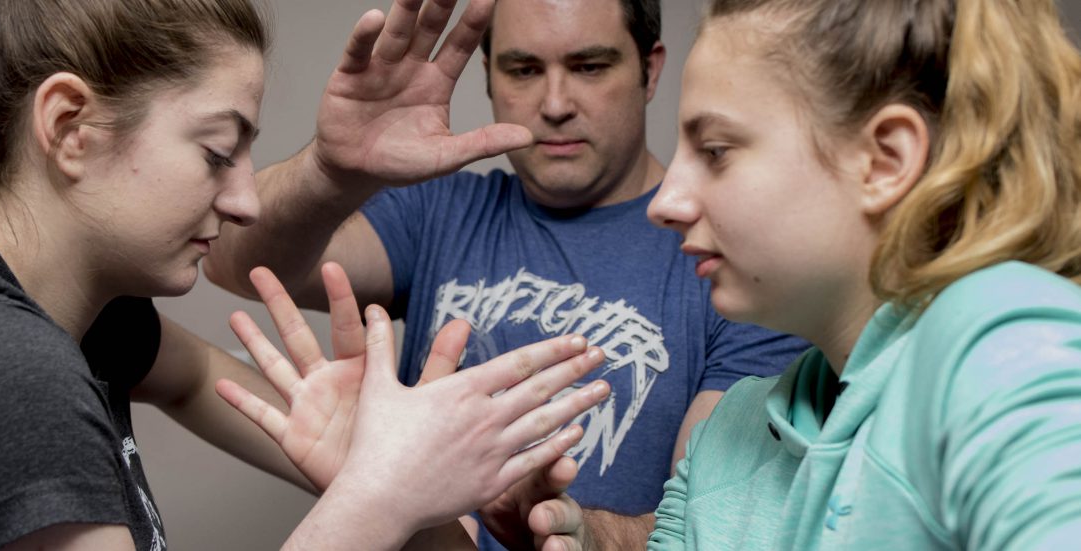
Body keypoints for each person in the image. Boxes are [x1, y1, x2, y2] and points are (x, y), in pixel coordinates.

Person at [0, 0, 612, 549]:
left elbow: (189, 379)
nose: (245, 198)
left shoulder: (69, 321)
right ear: (69, 129)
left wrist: (369, 452)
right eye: (217, 151)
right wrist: (374, 501)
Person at [204, 0, 809, 547]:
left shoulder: (729, 259)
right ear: (489, 77)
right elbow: (227, 253)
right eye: (523, 70)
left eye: (589, 66)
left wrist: (580, 536)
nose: (555, 104)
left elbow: (709, 523)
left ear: (650, 71)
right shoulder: (440, 210)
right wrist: (332, 168)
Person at [505, 0, 1081, 548]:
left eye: (716, 150)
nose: (666, 201)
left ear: (884, 161)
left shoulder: (1005, 348)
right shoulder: (734, 430)